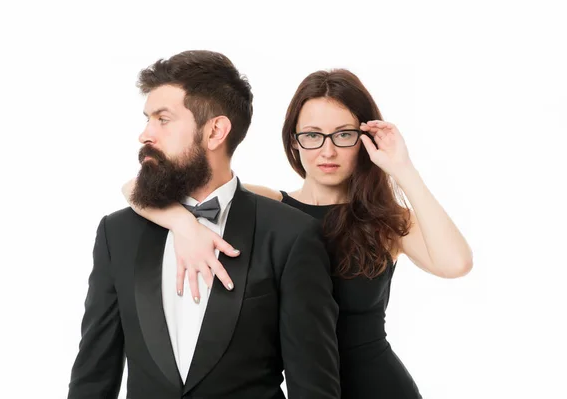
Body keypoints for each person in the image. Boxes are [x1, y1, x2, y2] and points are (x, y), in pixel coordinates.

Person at [123, 68, 473, 398]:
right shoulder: (267, 206)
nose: (328, 150)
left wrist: (401, 167)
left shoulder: (384, 220)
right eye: (312, 136)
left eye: (344, 134)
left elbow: (456, 263)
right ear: (294, 142)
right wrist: (186, 227)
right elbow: (136, 188)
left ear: (364, 140)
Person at [67, 50, 341, 399]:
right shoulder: (116, 233)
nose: (145, 135)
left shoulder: (290, 235)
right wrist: (184, 225)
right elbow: (93, 377)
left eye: (163, 119)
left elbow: (313, 388)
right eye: (147, 119)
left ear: (215, 132)